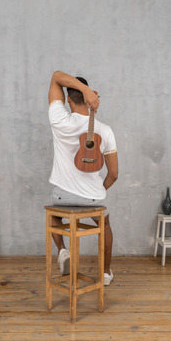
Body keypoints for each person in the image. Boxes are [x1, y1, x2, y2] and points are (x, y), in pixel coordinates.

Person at [48, 71, 118, 285]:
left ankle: (62, 251)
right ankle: (105, 273)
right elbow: (114, 174)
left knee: (54, 216)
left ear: (68, 98)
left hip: (62, 196)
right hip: (92, 199)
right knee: (104, 224)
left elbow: (56, 77)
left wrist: (84, 91)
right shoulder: (105, 131)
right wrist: (98, 191)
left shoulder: (58, 119)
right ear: (90, 98)